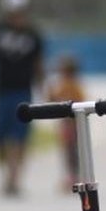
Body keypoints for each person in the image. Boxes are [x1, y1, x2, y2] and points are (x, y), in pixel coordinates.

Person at [0, 0, 46, 197]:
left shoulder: (33, 34)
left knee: (20, 136)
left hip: (23, 91)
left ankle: (13, 178)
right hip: (2, 90)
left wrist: (44, 88)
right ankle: (7, 170)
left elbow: (38, 63)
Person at [45, 54, 87, 192]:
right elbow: (53, 100)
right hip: (66, 123)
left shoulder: (72, 85)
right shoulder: (65, 84)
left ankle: (74, 177)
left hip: (72, 123)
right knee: (69, 152)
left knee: (71, 152)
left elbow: (78, 103)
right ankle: (72, 176)